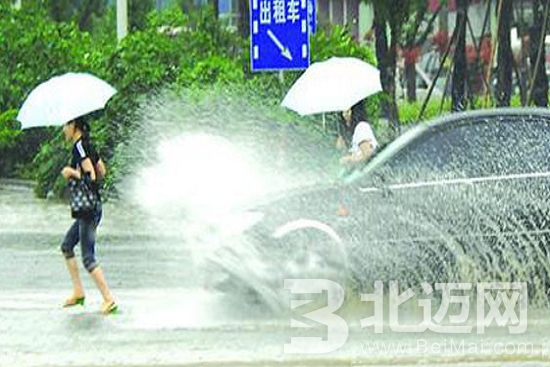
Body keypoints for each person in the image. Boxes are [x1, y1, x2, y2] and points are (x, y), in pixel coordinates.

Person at [60, 116, 117, 315]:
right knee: (67, 245)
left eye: (65, 125)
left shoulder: (80, 147)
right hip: (92, 207)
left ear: (73, 125)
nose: (64, 130)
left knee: (87, 257)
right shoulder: (88, 144)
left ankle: (109, 299)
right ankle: (78, 292)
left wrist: (71, 173)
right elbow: (102, 170)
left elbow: (92, 175)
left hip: (88, 209)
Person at [337, 101, 378, 166]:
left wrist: (349, 159)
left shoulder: (361, 127)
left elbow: (367, 154)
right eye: (343, 113)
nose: (345, 116)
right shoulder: (354, 132)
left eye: (348, 112)